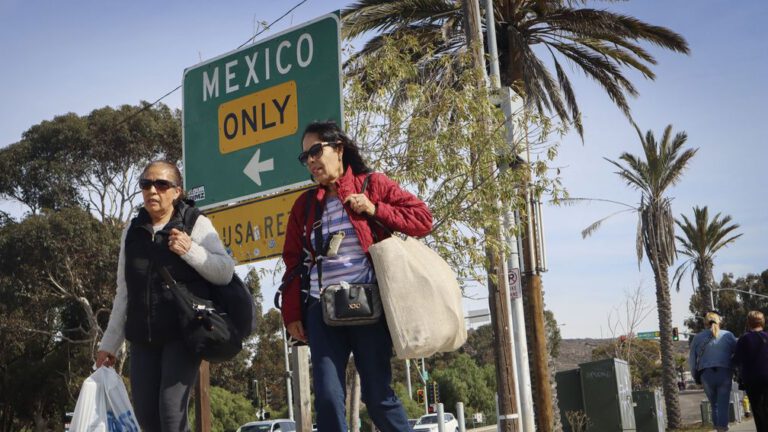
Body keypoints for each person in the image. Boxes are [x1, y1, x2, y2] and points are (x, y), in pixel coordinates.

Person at [280, 121, 432, 432]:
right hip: (321, 310)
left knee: (378, 397)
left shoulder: (372, 184)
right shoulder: (305, 205)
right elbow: (293, 261)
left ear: (338, 149)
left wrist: (375, 209)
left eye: (315, 151)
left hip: (370, 306)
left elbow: (423, 219)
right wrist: (292, 312)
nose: (310, 160)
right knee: (327, 397)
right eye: (304, 157)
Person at [95, 160, 235, 432]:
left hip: (183, 334)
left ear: (177, 192)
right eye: (146, 184)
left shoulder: (195, 223)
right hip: (143, 339)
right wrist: (109, 344)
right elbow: (124, 292)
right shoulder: (132, 231)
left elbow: (225, 272)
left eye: (161, 184)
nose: (152, 191)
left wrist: (190, 250)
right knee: (147, 421)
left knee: (171, 416)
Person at [689, 311, 738, 432]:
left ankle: (717, 428)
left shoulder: (697, 338)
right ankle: (723, 428)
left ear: (705, 322)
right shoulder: (728, 335)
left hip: (706, 375)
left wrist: (695, 376)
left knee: (714, 404)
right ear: (719, 321)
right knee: (723, 405)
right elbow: (737, 354)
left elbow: (692, 361)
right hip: (724, 373)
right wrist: (736, 370)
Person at [733, 311, 768, 431]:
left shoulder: (744, 339)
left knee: (758, 409)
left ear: (748, 323)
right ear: (763, 322)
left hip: (752, 379)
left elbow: (736, 360)